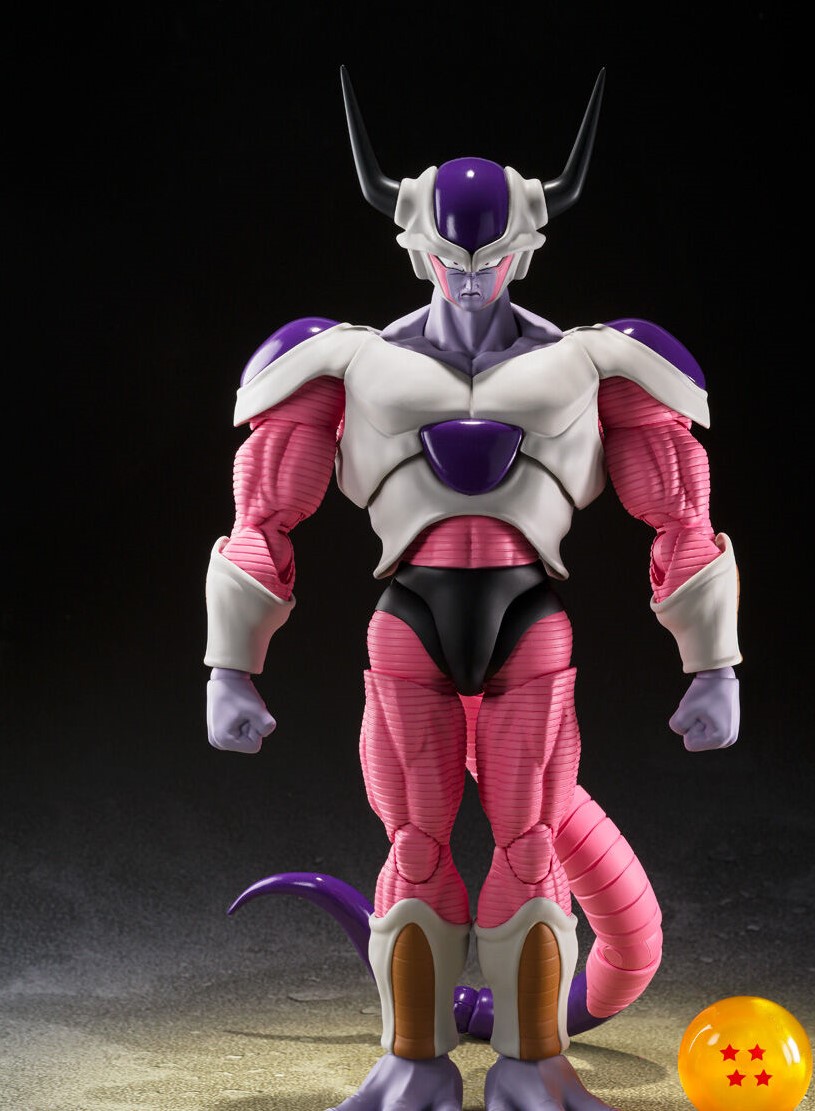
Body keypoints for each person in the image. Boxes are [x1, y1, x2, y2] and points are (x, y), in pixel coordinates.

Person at [204, 66, 741, 1111]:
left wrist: (713, 662)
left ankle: (533, 1061)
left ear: (526, 249)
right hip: (407, 620)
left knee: (531, 841)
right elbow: (263, 512)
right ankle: (413, 1057)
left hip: (528, 620)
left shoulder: (590, 364)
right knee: (414, 843)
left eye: (489, 260)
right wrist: (231, 664)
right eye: (450, 259)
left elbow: (680, 510)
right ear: (414, 248)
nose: (467, 279)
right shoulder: (348, 363)